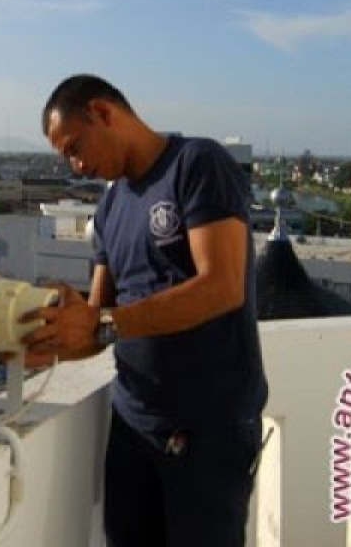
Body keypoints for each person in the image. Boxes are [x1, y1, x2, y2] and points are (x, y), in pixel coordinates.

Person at [23, 73, 268, 547]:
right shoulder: (110, 209)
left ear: (102, 112)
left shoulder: (197, 163)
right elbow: (97, 321)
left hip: (207, 428)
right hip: (134, 425)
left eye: (75, 146)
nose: (77, 165)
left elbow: (222, 287)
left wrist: (103, 322)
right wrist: (48, 343)